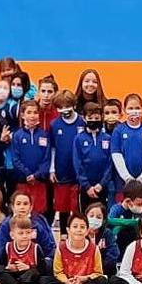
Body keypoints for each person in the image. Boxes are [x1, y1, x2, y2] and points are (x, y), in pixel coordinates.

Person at [39, 213, 110, 284]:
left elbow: (98, 273)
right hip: (67, 282)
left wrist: (83, 279)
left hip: (85, 282)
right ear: (68, 230)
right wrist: (67, 282)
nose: (79, 230)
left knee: (103, 280)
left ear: (87, 230)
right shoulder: (61, 248)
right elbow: (58, 272)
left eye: (82, 227)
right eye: (75, 226)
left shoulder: (94, 249)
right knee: (43, 280)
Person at [47, 90, 84, 228]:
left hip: (78, 173)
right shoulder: (54, 125)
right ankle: (63, 233)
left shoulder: (82, 121)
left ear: (73, 104)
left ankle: (76, 231)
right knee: (62, 206)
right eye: (60, 107)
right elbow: (52, 148)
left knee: (76, 206)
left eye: (67, 105)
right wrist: (52, 169)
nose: (64, 109)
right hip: (61, 172)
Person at [9, 100, 50, 217]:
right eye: (29, 112)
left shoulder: (44, 135)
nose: (32, 116)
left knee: (38, 213)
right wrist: (27, 174)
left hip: (39, 181)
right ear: (22, 115)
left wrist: (36, 175)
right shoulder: (17, 135)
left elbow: (46, 158)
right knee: (23, 213)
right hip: (23, 181)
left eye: (35, 112)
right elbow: (15, 159)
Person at [0, 215, 46, 284]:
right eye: (21, 233)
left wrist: (28, 267)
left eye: (28, 232)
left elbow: (43, 269)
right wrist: (8, 268)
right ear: (12, 235)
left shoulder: (36, 248)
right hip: (14, 277)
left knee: (35, 275)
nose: (25, 236)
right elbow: (1, 265)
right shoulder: (7, 247)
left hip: (29, 279)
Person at [110, 93, 142, 194]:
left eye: (137, 108)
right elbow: (116, 155)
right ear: (125, 110)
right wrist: (127, 178)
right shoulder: (118, 131)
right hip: (122, 183)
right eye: (130, 108)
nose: (134, 111)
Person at [74, 102, 114, 211]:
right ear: (84, 118)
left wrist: (101, 184)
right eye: (90, 118)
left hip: (102, 187)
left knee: (103, 215)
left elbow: (110, 163)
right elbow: (78, 163)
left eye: (97, 117)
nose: (94, 120)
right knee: (86, 215)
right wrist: (87, 186)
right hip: (85, 188)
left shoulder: (107, 138)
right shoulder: (79, 139)